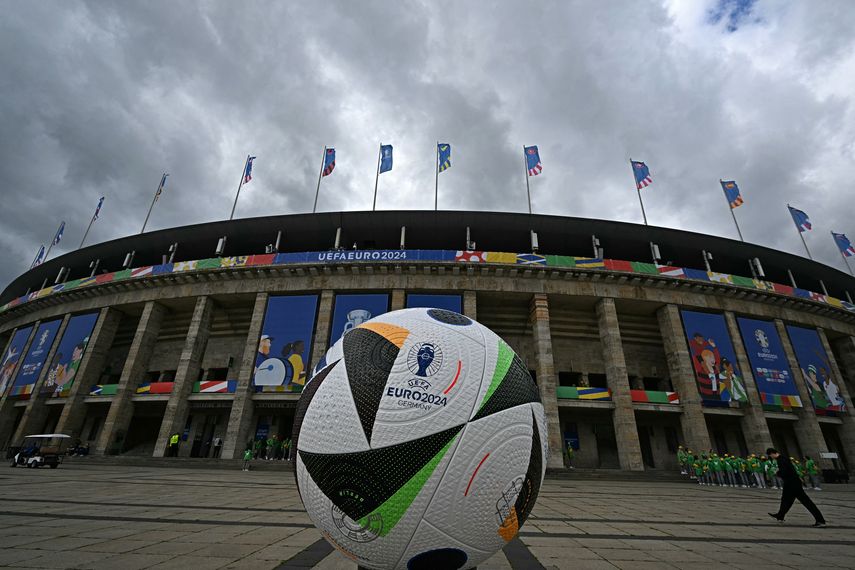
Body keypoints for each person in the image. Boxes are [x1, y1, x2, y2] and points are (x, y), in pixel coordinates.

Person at [767, 448, 826, 527]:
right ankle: (780, 515)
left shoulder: (781, 460)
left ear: (772, 454)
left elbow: (784, 472)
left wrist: (777, 472)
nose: (771, 457)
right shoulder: (784, 458)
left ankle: (820, 520)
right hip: (792, 483)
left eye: (770, 455)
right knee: (786, 500)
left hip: (792, 484)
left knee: (806, 502)